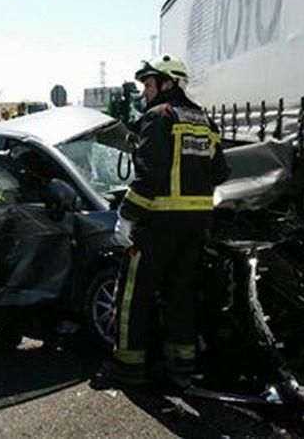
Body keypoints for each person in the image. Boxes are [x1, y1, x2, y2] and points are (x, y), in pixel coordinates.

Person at [103, 54, 229, 389]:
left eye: (148, 84)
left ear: (168, 83)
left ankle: (129, 367)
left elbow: (148, 177)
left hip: (156, 226)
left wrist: (126, 218)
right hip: (195, 227)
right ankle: (181, 368)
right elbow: (220, 172)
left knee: (134, 295)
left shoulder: (159, 117)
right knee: (180, 295)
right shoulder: (205, 121)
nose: (145, 91)